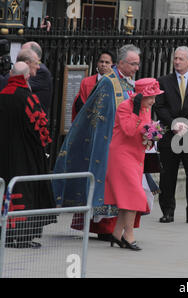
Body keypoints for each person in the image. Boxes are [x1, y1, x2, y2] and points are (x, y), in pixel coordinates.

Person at [52, 44, 141, 240]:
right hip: (109, 142)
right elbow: (100, 117)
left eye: (137, 64)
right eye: (133, 64)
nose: (136, 68)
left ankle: (118, 232)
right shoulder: (109, 83)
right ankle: (107, 230)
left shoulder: (128, 82)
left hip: (125, 144)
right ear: (121, 63)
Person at [0, 62, 55, 248]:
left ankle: (5, 235)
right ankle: (23, 237)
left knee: (4, 193)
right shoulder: (28, 98)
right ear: (26, 77)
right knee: (24, 194)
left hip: (3, 157)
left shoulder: (1, 96)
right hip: (25, 157)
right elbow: (41, 129)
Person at [105, 78, 163, 251]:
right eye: (150, 97)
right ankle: (128, 234)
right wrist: (137, 110)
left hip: (136, 156)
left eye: (154, 96)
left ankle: (116, 234)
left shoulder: (146, 108)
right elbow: (130, 130)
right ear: (140, 96)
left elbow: (145, 129)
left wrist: (154, 136)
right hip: (121, 156)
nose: (153, 101)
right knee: (134, 195)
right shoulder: (125, 107)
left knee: (127, 197)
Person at [154, 46, 188, 225]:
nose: (177, 62)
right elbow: (159, 106)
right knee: (167, 175)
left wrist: (187, 125)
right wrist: (173, 124)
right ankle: (167, 212)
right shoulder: (163, 81)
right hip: (170, 135)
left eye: (181, 59)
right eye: (175, 58)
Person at [72, 50, 115, 121]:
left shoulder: (116, 83)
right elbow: (81, 105)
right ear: (97, 63)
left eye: (107, 62)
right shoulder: (86, 82)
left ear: (113, 65)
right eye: (101, 62)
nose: (103, 65)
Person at [21, 41, 53, 115]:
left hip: (36, 119)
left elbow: (20, 85)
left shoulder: (40, 71)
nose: (20, 55)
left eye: (24, 53)